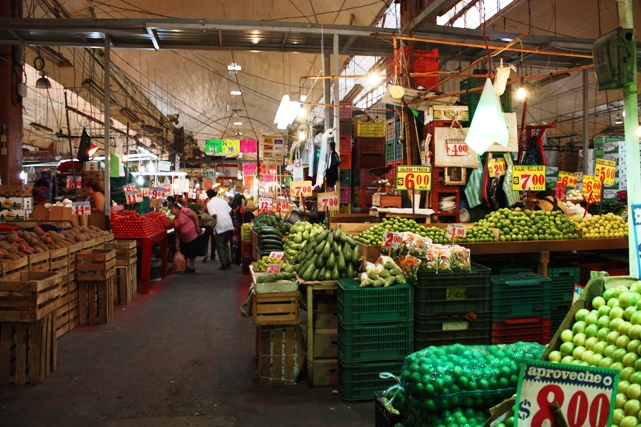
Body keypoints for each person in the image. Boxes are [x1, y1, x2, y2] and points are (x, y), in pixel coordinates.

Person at [169, 202, 204, 273]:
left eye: (172, 208)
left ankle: (191, 267)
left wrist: (197, 227)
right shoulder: (175, 220)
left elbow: (194, 216)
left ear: (177, 208)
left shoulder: (184, 211)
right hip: (185, 239)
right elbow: (177, 233)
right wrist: (177, 243)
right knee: (185, 253)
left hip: (193, 235)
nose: (171, 210)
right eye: (170, 209)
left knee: (192, 253)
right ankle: (185, 267)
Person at [206, 189, 234, 270]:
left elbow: (214, 215)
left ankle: (224, 264)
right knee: (226, 244)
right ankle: (228, 262)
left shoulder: (210, 203)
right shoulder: (223, 201)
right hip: (228, 224)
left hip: (219, 225)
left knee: (220, 245)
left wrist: (211, 224)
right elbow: (230, 212)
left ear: (208, 196)